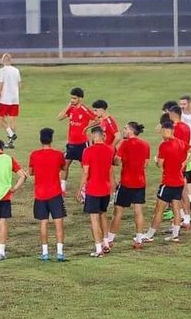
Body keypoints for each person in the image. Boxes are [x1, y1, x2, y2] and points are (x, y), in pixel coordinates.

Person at [143, 121, 191, 243]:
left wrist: (156, 160)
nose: (162, 133)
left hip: (168, 182)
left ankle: (150, 234)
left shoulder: (164, 146)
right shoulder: (181, 143)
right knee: (177, 209)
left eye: (163, 131)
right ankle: (175, 235)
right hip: (179, 182)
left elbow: (160, 165)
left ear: (166, 131)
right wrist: (185, 162)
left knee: (159, 210)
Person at [107, 122, 150, 250]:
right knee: (138, 211)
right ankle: (138, 240)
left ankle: (109, 240)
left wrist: (116, 159)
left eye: (125, 128)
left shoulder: (124, 144)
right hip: (140, 182)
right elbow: (145, 164)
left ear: (131, 131)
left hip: (126, 183)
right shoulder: (145, 144)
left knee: (118, 212)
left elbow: (117, 161)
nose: (123, 130)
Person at [28, 128, 67, 262]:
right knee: (58, 223)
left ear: (40, 139)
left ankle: (45, 253)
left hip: (40, 195)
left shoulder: (34, 155)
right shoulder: (58, 154)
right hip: (55, 194)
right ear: (51, 139)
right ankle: (60, 253)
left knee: (43, 224)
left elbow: (31, 172)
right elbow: (63, 167)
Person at [78, 127, 115, 258]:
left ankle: (98, 249)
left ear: (93, 136)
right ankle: (106, 243)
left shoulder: (87, 151)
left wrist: (79, 189)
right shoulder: (110, 150)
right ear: (103, 136)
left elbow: (85, 172)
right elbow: (111, 171)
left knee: (94, 218)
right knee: (103, 214)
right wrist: (113, 188)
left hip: (93, 189)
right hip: (105, 188)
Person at [57, 87, 95, 195]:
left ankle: (85, 189)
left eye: (74, 98)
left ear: (80, 99)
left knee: (85, 168)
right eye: (71, 98)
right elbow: (59, 117)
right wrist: (68, 106)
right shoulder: (71, 109)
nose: (72, 100)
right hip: (71, 143)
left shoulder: (84, 110)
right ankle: (62, 188)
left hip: (83, 144)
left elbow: (98, 119)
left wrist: (87, 127)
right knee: (64, 165)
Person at [169, 105, 191, 230]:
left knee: (179, 193)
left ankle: (182, 220)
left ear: (173, 114)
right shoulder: (186, 127)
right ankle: (185, 218)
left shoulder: (176, 128)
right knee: (183, 192)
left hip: (178, 163)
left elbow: (175, 146)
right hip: (186, 161)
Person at [0, 53, 22, 149]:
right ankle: (11, 142)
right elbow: (19, 85)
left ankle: (11, 135)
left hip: (5, 99)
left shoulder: (2, 71)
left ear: (2, 60)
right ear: (10, 60)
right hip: (15, 99)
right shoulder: (16, 70)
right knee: (12, 121)